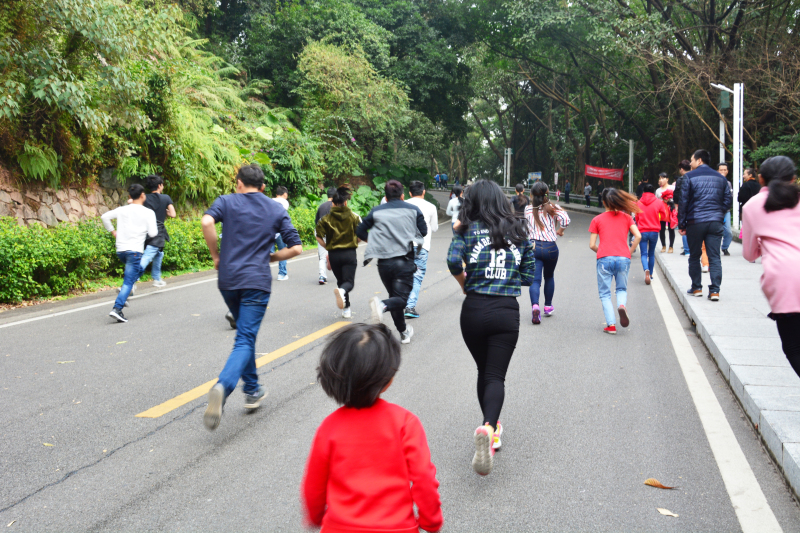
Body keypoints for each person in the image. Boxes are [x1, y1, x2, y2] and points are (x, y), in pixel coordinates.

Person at [302, 323, 443, 533]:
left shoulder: (328, 428)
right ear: (386, 380)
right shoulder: (405, 423)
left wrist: (316, 517)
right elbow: (423, 478)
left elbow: (313, 485)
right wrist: (431, 521)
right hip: (397, 527)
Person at [200, 165, 302, 430]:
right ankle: (224, 386)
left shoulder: (226, 201)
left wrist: (215, 256)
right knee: (245, 338)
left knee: (245, 335)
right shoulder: (276, 208)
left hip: (228, 279)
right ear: (264, 187)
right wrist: (273, 257)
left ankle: (253, 390)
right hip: (256, 280)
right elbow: (297, 248)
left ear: (238, 183)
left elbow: (207, 221)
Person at [446, 180, 534, 476]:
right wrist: (508, 276)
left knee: (483, 370)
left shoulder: (464, 228)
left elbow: (452, 261)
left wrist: (465, 285)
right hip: (505, 310)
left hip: (473, 309)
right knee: (496, 375)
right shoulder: (519, 229)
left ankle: (490, 423)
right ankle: (490, 428)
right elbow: (528, 274)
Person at [742, 156, 800, 378]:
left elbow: (749, 254)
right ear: (793, 178)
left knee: (794, 347)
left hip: (784, 279)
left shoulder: (753, 206)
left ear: (760, 179)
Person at [357, 180, 427, 344]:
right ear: (403, 195)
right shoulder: (413, 210)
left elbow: (360, 230)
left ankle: (403, 332)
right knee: (401, 300)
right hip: (404, 262)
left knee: (395, 297)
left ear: (386, 198)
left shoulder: (377, 211)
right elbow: (423, 231)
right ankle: (382, 305)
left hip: (384, 264)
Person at [678, 149, 732, 301]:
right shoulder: (720, 178)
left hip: (695, 222)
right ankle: (715, 291)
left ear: (699, 160)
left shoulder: (689, 177)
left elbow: (683, 202)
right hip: (715, 222)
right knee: (714, 257)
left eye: (692, 160)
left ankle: (696, 288)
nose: (691, 163)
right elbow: (728, 200)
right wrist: (718, 214)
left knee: (694, 256)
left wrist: (682, 224)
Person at [101, 184, 158, 323]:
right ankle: (117, 308)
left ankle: (124, 294)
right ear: (143, 195)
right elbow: (153, 233)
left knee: (136, 272)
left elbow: (104, 217)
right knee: (129, 280)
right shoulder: (148, 212)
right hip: (134, 251)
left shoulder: (122, 210)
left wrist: (113, 231)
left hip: (121, 250)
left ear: (130, 197)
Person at [589, 188, 642, 334]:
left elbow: (592, 244)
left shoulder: (597, 219)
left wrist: (602, 252)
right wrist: (629, 252)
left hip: (604, 258)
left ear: (604, 202)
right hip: (623, 258)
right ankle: (621, 305)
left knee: (605, 293)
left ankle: (611, 325)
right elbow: (637, 236)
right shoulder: (626, 218)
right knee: (621, 289)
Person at [524, 181, 570, 324]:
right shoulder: (553, 208)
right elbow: (566, 220)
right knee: (549, 276)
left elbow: (525, 227)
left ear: (531, 195)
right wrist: (560, 230)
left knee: (535, 280)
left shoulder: (528, 209)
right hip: (551, 248)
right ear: (547, 194)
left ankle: (535, 306)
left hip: (534, 247)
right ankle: (548, 306)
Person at [316, 187, 361, 319]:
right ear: (346, 202)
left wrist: (327, 246)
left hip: (334, 255)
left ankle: (346, 309)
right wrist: (355, 242)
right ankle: (343, 297)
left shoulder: (326, 219)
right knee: (348, 283)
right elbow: (361, 234)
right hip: (349, 253)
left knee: (340, 280)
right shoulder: (354, 217)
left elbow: (318, 236)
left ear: (333, 204)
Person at [404, 180, 438, 319]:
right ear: (424, 192)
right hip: (422, 246)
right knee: (417, 276)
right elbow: (435, 228)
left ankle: (400, 300)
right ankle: (410, 306)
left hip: (403, 245)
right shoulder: (431, 207)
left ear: (410, 193)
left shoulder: (403, 204)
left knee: (404, 274)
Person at [139, 175, 175, 288]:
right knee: (148, 255)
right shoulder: (166, 198)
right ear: (159, 186)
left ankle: (157, 278)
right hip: (157, 232)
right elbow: (173, 214)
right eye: (162, 184)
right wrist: (165, 212)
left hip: (144, 231)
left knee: (159, 253)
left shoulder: (144, 198)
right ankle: (131, 279)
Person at [635, 183, 663, 285]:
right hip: (654, 231)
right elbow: (663, 215)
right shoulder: (658, 202)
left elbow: (636, 218)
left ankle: (646, 269)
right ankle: (650, 274)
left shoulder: (639, 203)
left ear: (643, 192)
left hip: (642, 231)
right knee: (651, 253)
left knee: (643, 253)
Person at [314, 186, 337, 285]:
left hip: (321, 233)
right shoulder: (336, 206)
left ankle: (322, 276)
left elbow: (316, 222)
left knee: (322, 256)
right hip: (333, 233)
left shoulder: (321, 207)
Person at [272, 185, 290, 281]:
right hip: (280, 231)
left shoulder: (270, 201)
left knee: (268, 253)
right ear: (285, 194)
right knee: (283, 251)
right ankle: (282, 274)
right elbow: (283, 217)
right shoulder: (284, 202)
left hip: (269, 231)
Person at [674, 160, 692, 254]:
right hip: (693, 206)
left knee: (684, 225)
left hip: (683, 205)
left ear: (681, 169)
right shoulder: (694, 177)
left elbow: (676, 194)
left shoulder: (680, 180)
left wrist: (676, 205)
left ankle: (687, 249)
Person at [717, 162, 733, 256]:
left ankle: (725, 247)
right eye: (721, 170)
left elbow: (729, 197)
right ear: (717, 171)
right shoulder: (714, 181)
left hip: (726, 211)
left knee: (728, 231)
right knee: (716, 231)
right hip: (716, 211)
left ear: (727, 171)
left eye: (725, 170)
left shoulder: (728, 183)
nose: (723, 171)